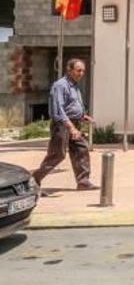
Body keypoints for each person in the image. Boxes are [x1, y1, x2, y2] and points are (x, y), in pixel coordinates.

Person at [32, 58, 98, 192]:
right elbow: (58, 110)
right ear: (69, 70)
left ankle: (83, 182)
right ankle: (33, 181)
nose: (81, 73)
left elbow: (71, 105)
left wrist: (82, 116)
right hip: (62, 125)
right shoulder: (60, 85)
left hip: (74, 123)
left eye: (83, 71)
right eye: (78, 70)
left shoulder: (74, 85)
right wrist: (71, 127)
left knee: (81, 149)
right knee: (57, 155)